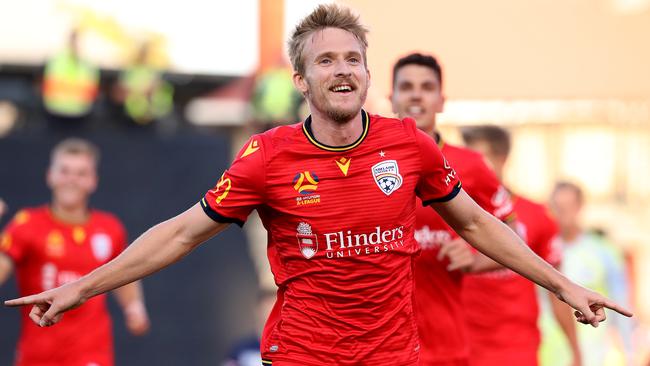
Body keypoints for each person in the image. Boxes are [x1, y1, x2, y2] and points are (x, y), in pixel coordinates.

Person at [5, 5, 631, 366]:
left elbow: (476, 224)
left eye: (352, 59)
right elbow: (181, 234)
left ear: (365, 74)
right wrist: (87, 286)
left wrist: (564, 282)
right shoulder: (267, 157)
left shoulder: (407, 146)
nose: (342, 70)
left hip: (393, 356)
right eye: (325, 60)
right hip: (305, 355)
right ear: (302, 80)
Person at [390, 52, 516, 365]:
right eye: (406, 87)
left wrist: (477, 256)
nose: (416, 94)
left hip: (445, 350)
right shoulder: (365, 162)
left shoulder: (471, 165)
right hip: (380, 349)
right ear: (390, 98)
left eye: (427, 87)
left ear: (441, 100)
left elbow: (517, 232)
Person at [0, 138, 149, 366]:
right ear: (50, 175)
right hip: (37, 355)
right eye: (65, 171)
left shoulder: (110, 228)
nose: (71, 179)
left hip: (91, 354)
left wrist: (134, 308)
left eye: (81, 173)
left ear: (93, 181)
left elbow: (123, 271)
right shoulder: (26, 223)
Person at [461, 126, 581, 366]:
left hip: (516, 351)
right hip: (461, 350)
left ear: (502, 159)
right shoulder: (450, 215)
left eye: (477, 159)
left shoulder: (538, 216)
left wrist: (575, 350)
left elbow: (557, 290)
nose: (468, 167)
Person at [541, 182, 635, 366]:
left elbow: (621, 300)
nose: (563, 213)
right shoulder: (538, 251)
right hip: (548, 354)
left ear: (580, 207)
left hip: (594, 355)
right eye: (558, 207)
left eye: (568, 207)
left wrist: (629, 352)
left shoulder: (604, 251)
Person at [42, 29, 100, 123]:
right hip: (63, 111)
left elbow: (92, 91)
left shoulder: (57, 60)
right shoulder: (87, 63)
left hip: (73, 111)